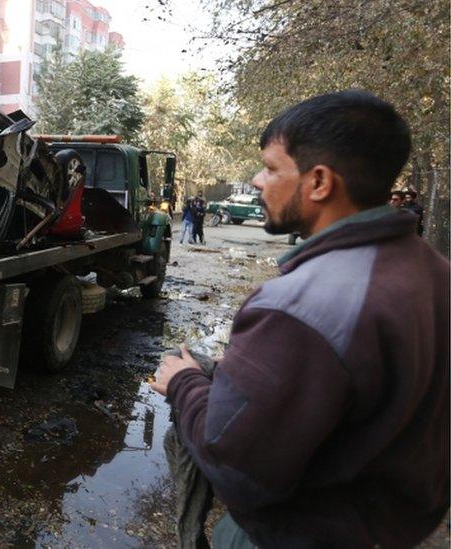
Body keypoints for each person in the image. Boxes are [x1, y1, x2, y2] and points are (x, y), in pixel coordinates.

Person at [150, 90, 449, 547]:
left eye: (271, 168)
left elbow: (238, 470)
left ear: (319, 182)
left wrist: (184, 383)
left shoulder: (298, 308)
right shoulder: (434, 273)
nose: (256, 180)